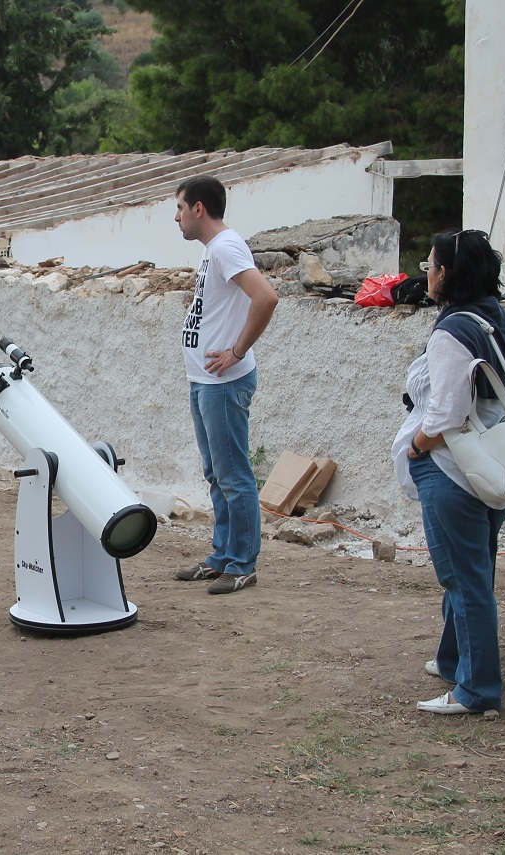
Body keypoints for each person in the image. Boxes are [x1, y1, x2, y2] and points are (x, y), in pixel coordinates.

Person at [392, 228, 505, 715]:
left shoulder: (453, 331)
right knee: (477, 568)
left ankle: (476, 691)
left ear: (447, 273)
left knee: (464, 579)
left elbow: (447, 413)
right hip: (497, 462)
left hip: (454, 468)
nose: (425, 271)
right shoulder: (500, 321)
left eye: (430, 263)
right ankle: (453, 659)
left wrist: (417, 448)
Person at [170, 175, 278, 594]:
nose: (176, 217)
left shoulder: (227, 247)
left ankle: (242, 563)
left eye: (180, 208)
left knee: (234, 475)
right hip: (205, 381)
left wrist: (236, 350)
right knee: (217, 474)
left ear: (199, 208)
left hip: (223, 382)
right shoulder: (215, 250)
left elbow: (265, 297)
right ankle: (222, 557)